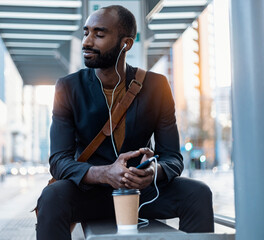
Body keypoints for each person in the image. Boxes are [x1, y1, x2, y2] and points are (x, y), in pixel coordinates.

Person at [36, 5, 214, 240]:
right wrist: (105, 173)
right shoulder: (68, 88)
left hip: (141, 194)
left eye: (99, 34)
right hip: (90, 193)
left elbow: (173, 158)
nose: (87, 42)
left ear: (126, 44)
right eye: (86, 32)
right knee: (51, 197)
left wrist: (153, 171)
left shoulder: (156, 87)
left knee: (198, 193)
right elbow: (59, 161)